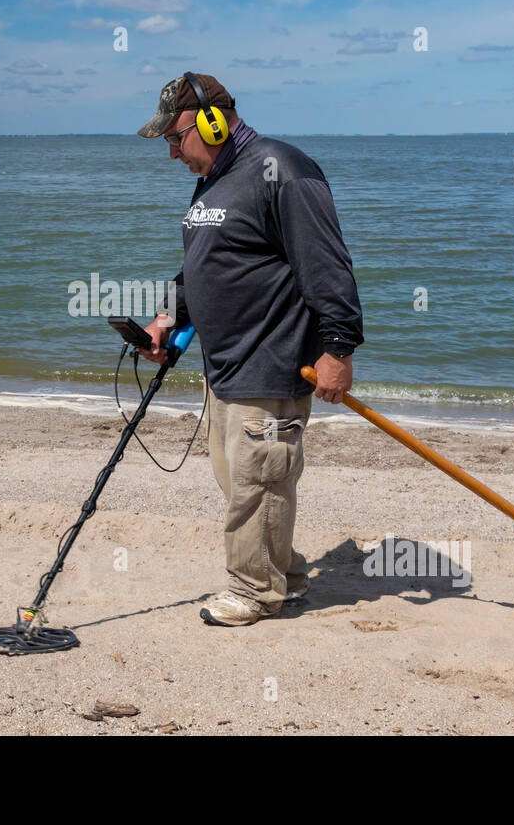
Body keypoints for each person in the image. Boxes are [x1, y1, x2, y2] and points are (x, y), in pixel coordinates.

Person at [136, 72, 364, 626]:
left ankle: (253, 591)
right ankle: (282, 576)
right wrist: (173, 319)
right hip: (227, 365)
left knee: (259, 479)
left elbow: (326, 265)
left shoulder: (283, 170)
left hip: (274, 358)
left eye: (174, 138)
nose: (171, 154)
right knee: (245, 482)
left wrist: (337, 347)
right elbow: (208, 261)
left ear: (212, 122)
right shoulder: (215, 178)